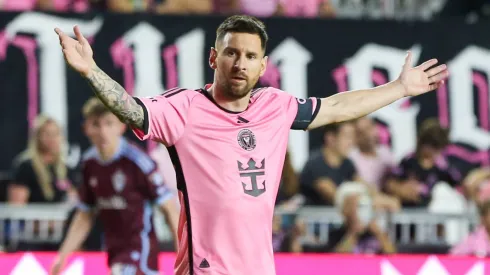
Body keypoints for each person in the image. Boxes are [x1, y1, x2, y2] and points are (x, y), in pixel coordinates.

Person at [54, 14, 448, 275]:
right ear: (214, 57)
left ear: (263, 65)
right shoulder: (185, 108)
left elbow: (337, 106)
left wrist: (398, 89)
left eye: (250, 56)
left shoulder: (274, 106)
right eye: (231, 53)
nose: (240, 63)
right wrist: (91, 71)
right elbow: (132, 110)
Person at [50, 98, 179, 275]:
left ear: (121, 126)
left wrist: (183, 255)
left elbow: (169, 209)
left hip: (140, 251)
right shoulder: (89, 164)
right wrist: (62, 257)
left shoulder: (138, 162)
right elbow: (85, 215)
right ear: (86, 128)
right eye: (96, 125)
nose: (103, 132)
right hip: (113, 252)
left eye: (109, 124)